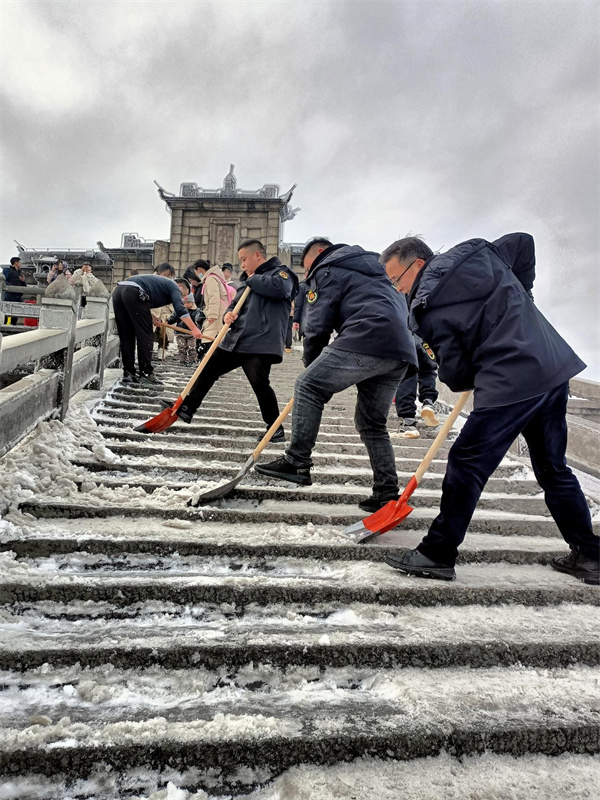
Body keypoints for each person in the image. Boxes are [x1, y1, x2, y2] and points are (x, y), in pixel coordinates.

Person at [380, 233, 600, 585]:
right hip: (551, 368)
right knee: (553, 469)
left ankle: (437, 553)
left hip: (510, 381)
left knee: (466, 462)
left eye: (397, 279)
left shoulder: (427, 306)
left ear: (417, 264)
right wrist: (523, 294)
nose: (398, 289)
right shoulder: (476, 252)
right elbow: (525, 242)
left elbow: (455, 375)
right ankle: (591, 556)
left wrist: (469, 368)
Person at [255, 238, 417, 511]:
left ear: (319, 252)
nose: (309, 275)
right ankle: (387, 491)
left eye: (308, 268)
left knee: (307, 386)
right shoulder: (379, 269)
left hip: (366, 337)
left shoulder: (329, 266)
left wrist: (312, 362)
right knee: (372, 424)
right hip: (400, 351)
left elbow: (317, 322)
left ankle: (297, 462)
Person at [165, 239, 298, 440]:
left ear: (258, 256)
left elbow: (280, 289)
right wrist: (228, 315)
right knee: (209, 367)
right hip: (237, 339)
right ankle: (189, 407)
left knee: (259, 383)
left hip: (260, 342)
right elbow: (234, 304)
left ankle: (275, 428)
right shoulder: (249, 281)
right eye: (240, 261)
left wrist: (252, 278)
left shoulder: (281, 274)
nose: (242, 265)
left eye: (244, 259)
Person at [112, 272, 203, 385]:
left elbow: (142, 304)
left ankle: (128, 373)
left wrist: (152, 317)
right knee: (145, 335)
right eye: (183, 295)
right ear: (180, 286)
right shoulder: (174, 286)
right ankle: (146, 373)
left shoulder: (159, 284)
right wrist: (194, 329)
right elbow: (180, 309)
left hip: (118, 291)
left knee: (126, 335)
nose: (181, 297)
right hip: (134, 292)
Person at [394, 334, 440, 438]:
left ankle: (408, 422)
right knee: (428, 371)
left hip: (407, 336)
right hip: (426, 338)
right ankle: (428, 402)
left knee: (408, 373)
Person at [167, 287, 203, 366]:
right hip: (180, 332)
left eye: (188, 302)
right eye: (184, 303)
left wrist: (198, 326)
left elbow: (199, 320)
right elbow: (174, 318)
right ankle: (182, 360)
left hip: (191, 334)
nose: (186, 305)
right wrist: (168, 321)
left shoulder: (197, 311)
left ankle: (192, 360)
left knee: (192, 347)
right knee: (182, 347)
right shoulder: (179, 311)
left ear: (192, 302)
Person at [2, 256, 28, 325]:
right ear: (16, 262)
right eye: (19, 262)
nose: (20, 264)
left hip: (18, 295)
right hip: (10, 294)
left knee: (16, 311)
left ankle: (13, 325)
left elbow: (24, 286)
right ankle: (3, 325)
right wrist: (11, 286)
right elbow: (4, 281)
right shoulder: (7, 271)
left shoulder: (20, 273)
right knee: (6, 311)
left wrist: (23, 281)